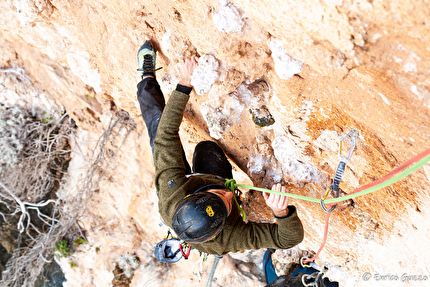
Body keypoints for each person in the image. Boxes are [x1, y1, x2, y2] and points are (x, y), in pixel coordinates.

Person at [136, 40, 304, 255]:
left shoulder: (172, 193)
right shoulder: (228, 239)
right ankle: (212, 188)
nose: (227, 193)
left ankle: (146, 76)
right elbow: (288, 239)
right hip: (203, 186)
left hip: (186, 185)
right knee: (210, 153)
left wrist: (184, 84)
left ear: (191, 197)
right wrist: (281, 213)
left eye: (217, 193)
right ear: (220, 228)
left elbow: (165, 135)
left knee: (159, 128)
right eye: (227, 203)